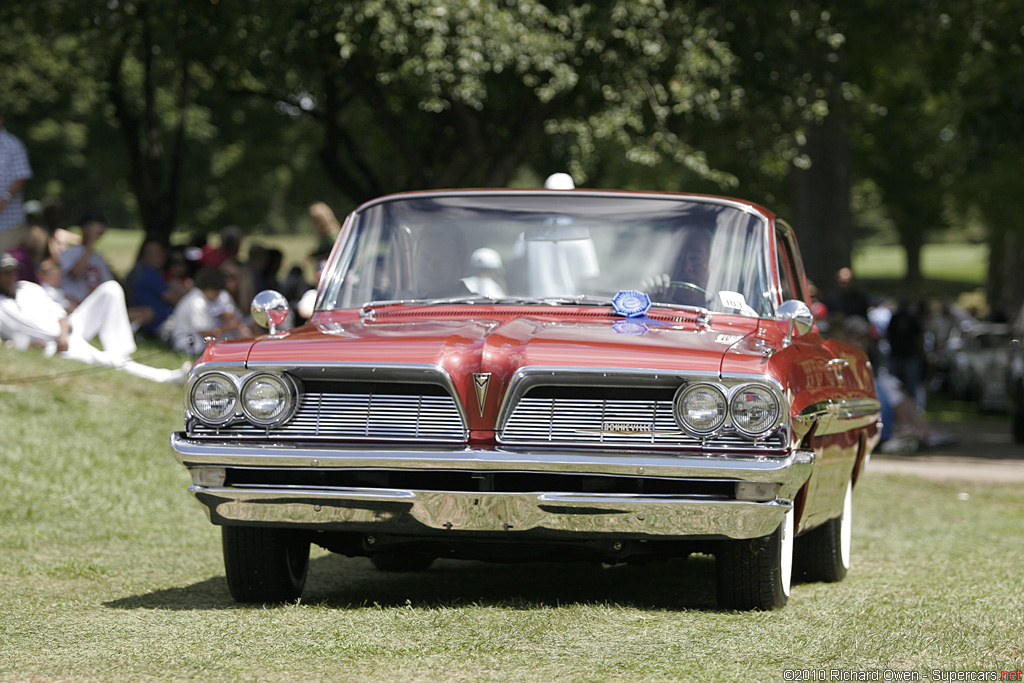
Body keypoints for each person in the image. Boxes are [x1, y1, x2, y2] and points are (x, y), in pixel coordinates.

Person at [0, 252, 187, 383]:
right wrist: (34, 345)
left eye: (13, 271)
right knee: (110, 362)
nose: (11, 277)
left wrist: (64, 333)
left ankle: (121, 351)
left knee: (111, 289)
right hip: (52, 344)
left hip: (69, 329)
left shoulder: (27, 287)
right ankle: (167, 377)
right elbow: (4, 342)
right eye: (5, 273)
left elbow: (59, 312)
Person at [169, 268, 250, 355]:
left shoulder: (196, 297)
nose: (217, 296)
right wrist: (227, 328)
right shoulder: (197, 303)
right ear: (209, 288)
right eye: (217, 292)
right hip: (188, 346)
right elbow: (205, 334)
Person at [128, 239, 187, 337]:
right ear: (144, 255)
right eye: (153, 252)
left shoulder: (155, 273)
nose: (159, 255)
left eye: (160, 252)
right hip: (159, 322)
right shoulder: (149, 273)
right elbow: (170, 297)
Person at [59, 212, 115, 309]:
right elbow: (75, 272)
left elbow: (108, 284)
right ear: (83, 228)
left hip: (94, 307)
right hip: (73, 304)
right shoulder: (70, 253)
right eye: (93, 225)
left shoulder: (99, 258)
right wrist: (90, 243)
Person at [0, 110, 33, 253]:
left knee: (6, 267)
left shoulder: (12, 144)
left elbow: (22, 176)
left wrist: (5, 198)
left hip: (8, 222)